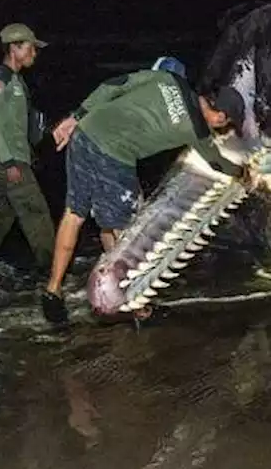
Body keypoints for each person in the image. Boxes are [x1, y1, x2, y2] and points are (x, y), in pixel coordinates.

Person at [40, 68, 247, 323]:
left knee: (75, 213)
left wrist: (76, 117)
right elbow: (217, 163)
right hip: (114, 155)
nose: (220, 127)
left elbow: (114, 84)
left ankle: (52, 291)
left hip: (86, 132)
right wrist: (243, 172)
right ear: (220, 117)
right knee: (128, 229)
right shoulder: (196, 129)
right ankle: (135, 306)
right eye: (225, 124)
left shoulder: (169, 79)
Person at [0, 23, 57, 276]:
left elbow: (20, 124)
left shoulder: (17, 80)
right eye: (31, 48)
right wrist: (9, 162)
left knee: (0, 217)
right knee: (36, 213)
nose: (34, 54)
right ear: (14, 47)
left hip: (18, 158)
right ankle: (53, 269)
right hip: (10, 161)